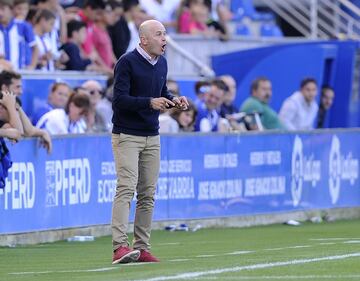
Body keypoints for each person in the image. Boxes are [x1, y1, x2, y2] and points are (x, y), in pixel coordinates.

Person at [111, 19, 188, 264]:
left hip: (151, 135)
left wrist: (174, 100)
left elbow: (161, 91)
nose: (164, 38)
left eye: (165, 34)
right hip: (127, 134)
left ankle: (141, 247)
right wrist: (149, 102)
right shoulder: (126, 62)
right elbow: (120, 99)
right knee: (125, 188)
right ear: (144, 39)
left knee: (147, 194)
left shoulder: (161, 63)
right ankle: (119, 247)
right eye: (159, 34)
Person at [0, 70, 52, 153]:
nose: (21, 92)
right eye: (17, 87)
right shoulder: (6, 105)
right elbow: (18, 133)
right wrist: (10, 106)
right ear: (5, 88)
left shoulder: (14, 103)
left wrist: (43, 132)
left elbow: (28, 130)